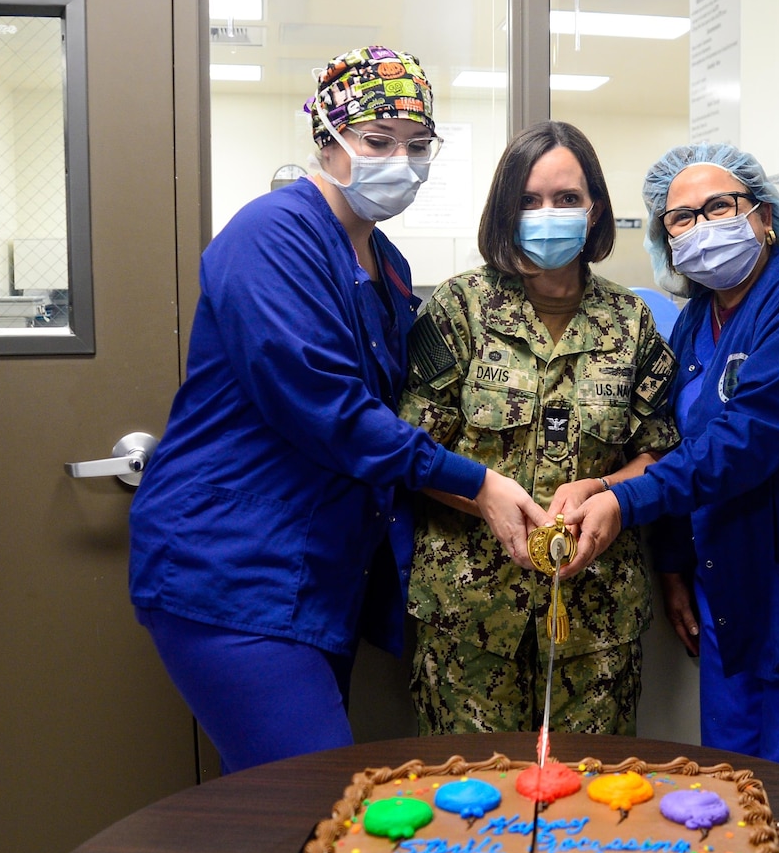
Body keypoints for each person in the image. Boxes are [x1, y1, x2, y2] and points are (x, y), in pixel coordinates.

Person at [128, 47, 547, 773]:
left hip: (317, 577)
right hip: (233, 570)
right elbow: (328, 408)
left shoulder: (388, 266)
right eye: (377, 141)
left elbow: (404, 405)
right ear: (326, 139)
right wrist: (480, 485)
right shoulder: (270, 236)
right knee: (313, 805)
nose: (401, 162)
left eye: (418, 146)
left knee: (285, 813)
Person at [563, 142, 779, 790]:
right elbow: (674, 443)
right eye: (681, 218)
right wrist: (674, 567)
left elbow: (744, 442)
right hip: (727, 592)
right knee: (732, 789)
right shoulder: (693, 322)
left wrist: (618, 499)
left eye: (719, 206)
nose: (701, 226)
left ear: (762, 216)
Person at [398, 120, 680, 736]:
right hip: (470, 617)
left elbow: (659, 452)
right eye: (528, 201)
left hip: (598, 617)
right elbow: (414, 450)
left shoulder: (630, 320)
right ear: (504, 211)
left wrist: (610, 498)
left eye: (566, 199)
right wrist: (489, 502)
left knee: (592, 808)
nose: (546, 214)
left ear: (594, 209)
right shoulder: (458, 307)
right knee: (471, 804)